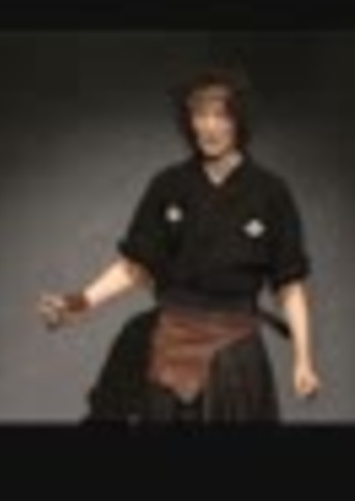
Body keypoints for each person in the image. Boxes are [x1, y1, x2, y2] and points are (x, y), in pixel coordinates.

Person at [38, 68, 321, 423]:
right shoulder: (168, 185)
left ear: (239, 121)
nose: (209, 126)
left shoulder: (270, 193)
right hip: (168, 346)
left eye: (221, 115)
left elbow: (290, 287)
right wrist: (80, 301)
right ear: (189, 120)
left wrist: (303, 360)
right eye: (200, 114)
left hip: (235, 352)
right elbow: (135, 267)